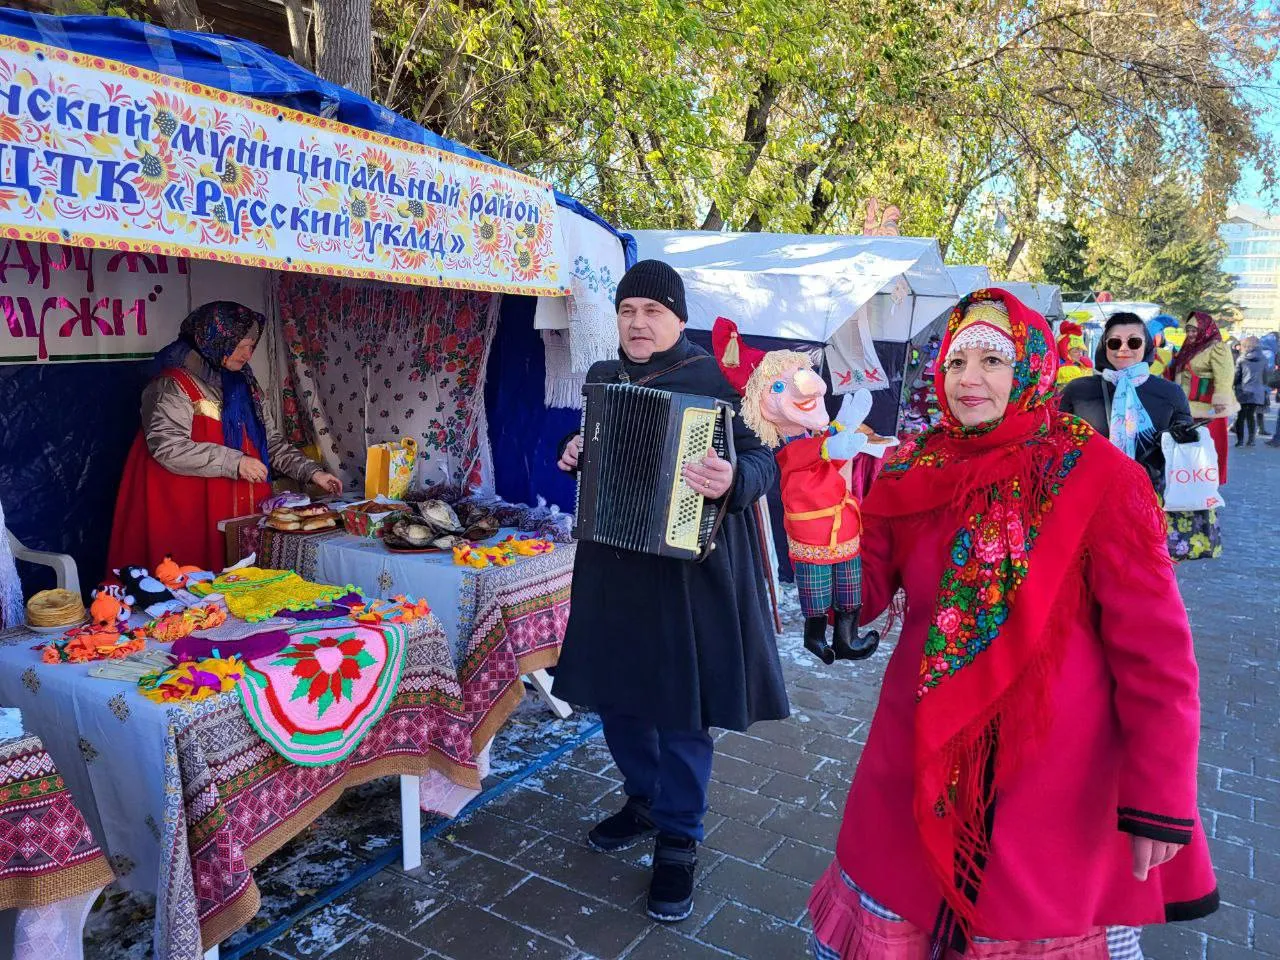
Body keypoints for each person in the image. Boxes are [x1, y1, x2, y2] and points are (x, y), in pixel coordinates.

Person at [808, 289, 1217, 959]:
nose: (969, 380)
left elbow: (1157, 652)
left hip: (1053, 785)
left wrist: (1160, 792)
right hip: (918, 754)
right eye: (956, 360)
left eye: (993, 360)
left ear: (1031, 366)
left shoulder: (1099, 477)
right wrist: (822, 504)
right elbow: (868, 594)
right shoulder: (914, 467)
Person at [552, 260, 787, 924]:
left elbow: (765, 458)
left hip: (690, 574)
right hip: (613, 565)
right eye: (628, 311)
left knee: (682, 712)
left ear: (679, 318)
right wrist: (573, 450)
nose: (637, 322)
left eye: (652, 311)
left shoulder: (717, 378)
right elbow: (594, 446)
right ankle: (645, 799)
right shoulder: (604, 377)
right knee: (616, 698)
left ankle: (680, 838)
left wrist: (732, 477)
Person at [107, 301, 342, 573]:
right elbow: (168, 447)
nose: (247, 353)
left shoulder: (245, 386)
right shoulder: (172, 384)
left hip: (238, 508)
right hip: (187, 509)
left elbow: (271, 443)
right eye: (240, 344)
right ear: (215, 339)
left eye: (252, 345)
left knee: (243, 586)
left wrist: (313, 473)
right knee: (188, 586)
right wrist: (236, 462)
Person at [1059, 311, 1197, 493]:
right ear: (1104, 346)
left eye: (1134, 342)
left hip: (1151, 497)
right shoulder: (1078, 390)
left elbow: (1187, 443)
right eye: (1115, 342)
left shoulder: (1170, 392)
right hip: (1090, 495)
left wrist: (1184, 436)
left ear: (1146, 345)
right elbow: (1059, 440)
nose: (1123, 349)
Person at [1166, 311, 1236, 483]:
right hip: (1182, 406)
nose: (1190, 334)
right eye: (1188, 330)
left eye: (1194, 330)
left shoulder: (1217, 348)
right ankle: (1183, 489)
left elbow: (1224, 379)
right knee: (1184, 451)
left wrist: (1218, 407)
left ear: (1205, 329)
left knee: (1205, 454)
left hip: (1206, 410)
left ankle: (1205, 494)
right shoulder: (1189, 347)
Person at [1233, 336, 1268, 447]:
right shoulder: (1263, 359)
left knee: (1241, 416)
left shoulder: (1241, 359)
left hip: (1243, 391)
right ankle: (1251, 440)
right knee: (1251, 415)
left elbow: (1237, 376)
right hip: (1257, 391)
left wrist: (1233, 386)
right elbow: (1265, 377)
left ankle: (1240, 441)